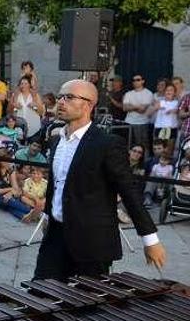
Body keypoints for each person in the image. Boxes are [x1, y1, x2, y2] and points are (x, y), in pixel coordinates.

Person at [33, 80, 166, 281]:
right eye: (60, 96)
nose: (61, 102)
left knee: (86, 305)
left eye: (69, 97)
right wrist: (48, 215)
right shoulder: (56, 140)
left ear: (89, 104)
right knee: (40, 293)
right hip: (56, 237)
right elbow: (58, 185)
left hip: (91, 242)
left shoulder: (107, 144)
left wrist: (150, 239)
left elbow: (129, 191)